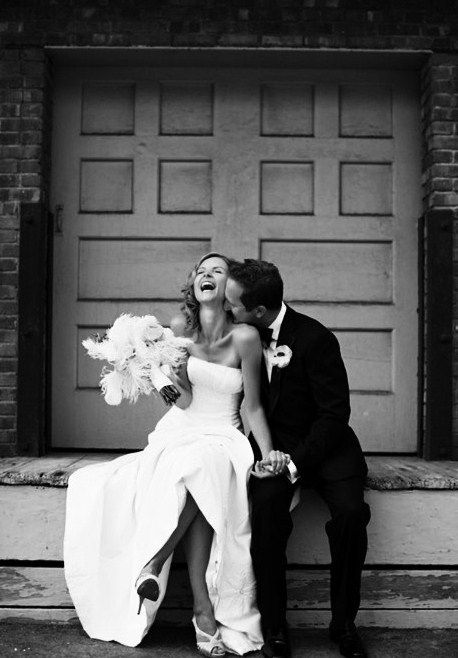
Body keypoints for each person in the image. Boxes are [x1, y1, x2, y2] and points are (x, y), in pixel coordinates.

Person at [64, 253, 286, 656]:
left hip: (224, 434)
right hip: (181, 431)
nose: (207, 274)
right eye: (202, 270)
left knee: (203, 466)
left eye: (217, 271)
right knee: (194, 473)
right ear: (194, 284)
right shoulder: (180, 328)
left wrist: (268, 456)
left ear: (230, 288)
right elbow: (182, 402)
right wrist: (153, 375)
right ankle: (202, 611)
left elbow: (253, 407)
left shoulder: (246, 338)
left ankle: (154, 564)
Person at [225, 259, 371, 658]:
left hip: (326, 447)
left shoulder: (315, 338)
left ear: (258, 310)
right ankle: (274, 627)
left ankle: (343, 625)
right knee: (266, 512)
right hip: (271, 448)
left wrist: (294, 463)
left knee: (351, 515)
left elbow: (334, 414)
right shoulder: (236, 334)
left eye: (233, 303)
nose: (227, 307)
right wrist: (268, 456)